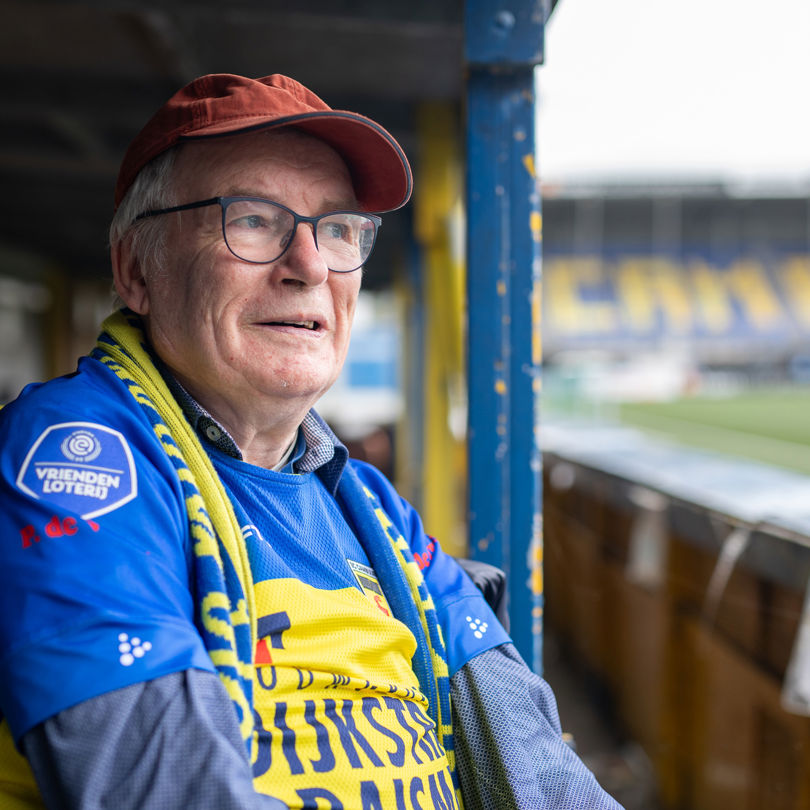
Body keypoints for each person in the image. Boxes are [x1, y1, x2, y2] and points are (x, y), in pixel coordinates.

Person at [0, 73, 624, 810]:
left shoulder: (370, 505)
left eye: (337, 229)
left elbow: (533, 759)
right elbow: (165, 787)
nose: (311, 266)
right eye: (253, 220)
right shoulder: (77, 456)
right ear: (138, 270)